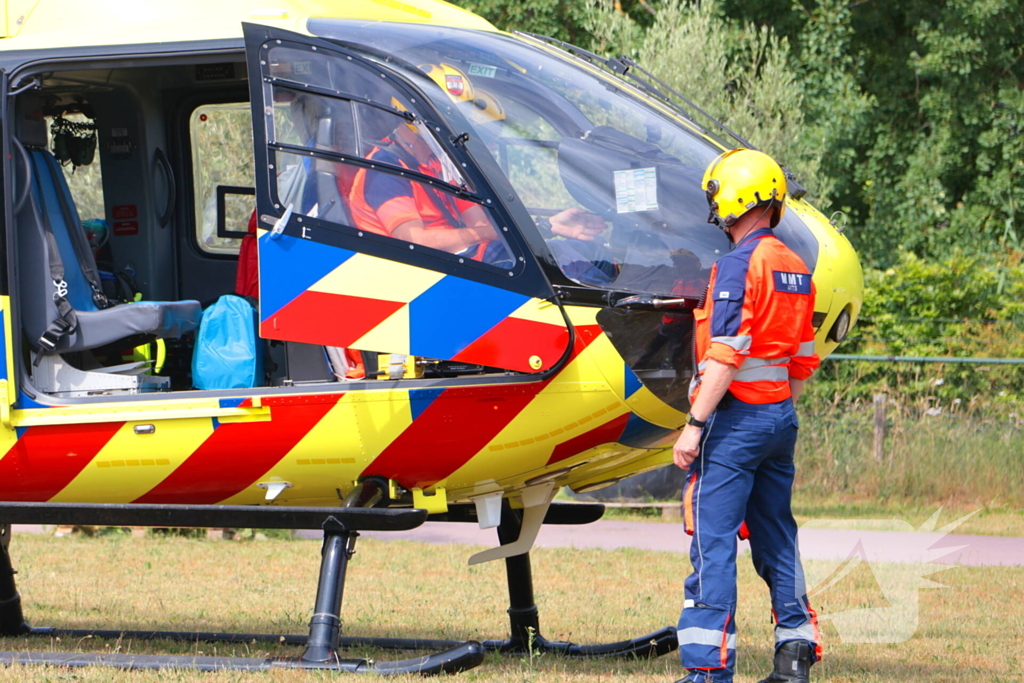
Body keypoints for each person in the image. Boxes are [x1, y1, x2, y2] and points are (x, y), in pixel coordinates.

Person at [672, 149, 821, 683]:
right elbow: (803, 360)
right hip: (779, 419)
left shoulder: (739, 264)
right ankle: (795, 654)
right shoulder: (795, 267)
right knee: (776, 534)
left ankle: (708, 672)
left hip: (734, 424)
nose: (715, 207)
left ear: (735, 197)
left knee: (712, 545)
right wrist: (776, 411)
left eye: (716, 196)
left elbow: (725, 353)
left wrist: (694, 427)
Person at [348, 63, 606, 264]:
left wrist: (547, 226)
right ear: (415, 120)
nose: (458, 130)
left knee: (582, 254)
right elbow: (416, 242)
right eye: (450, 119)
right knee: (557, 263)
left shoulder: (439, 163)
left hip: (458, 260)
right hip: (423, 272)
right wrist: (494, 234)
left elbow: (480, 224)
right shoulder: (385, 170)